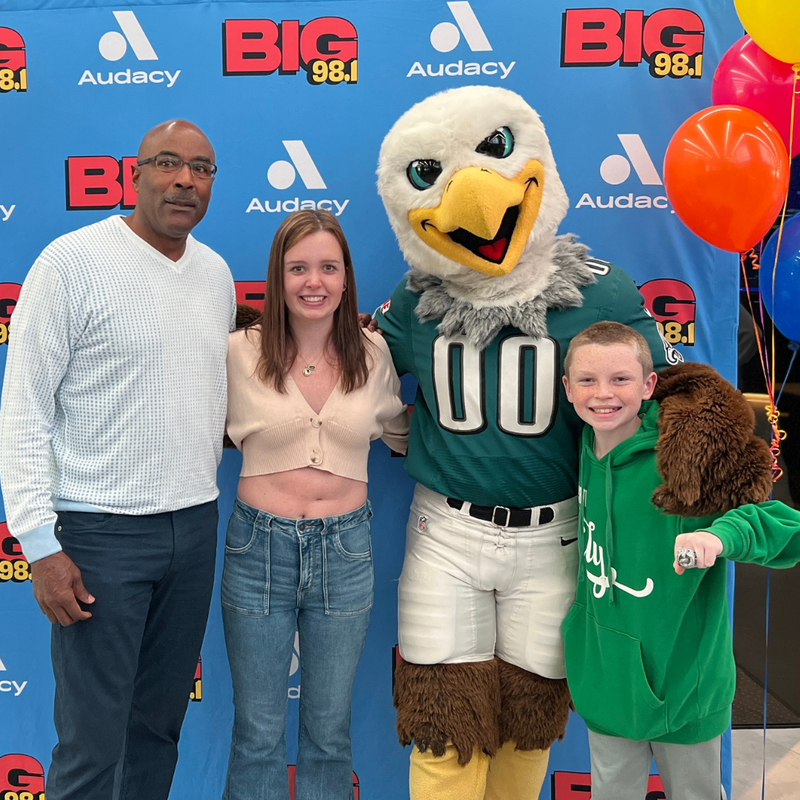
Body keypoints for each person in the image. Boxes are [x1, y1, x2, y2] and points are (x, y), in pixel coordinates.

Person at [0, 120, 235, 800]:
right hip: (99, 535)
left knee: (156, 731)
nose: (185, 180)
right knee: (91, 741)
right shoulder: (70, 264)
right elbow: (22, 412)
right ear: (134, 174)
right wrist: (40, 546)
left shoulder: (215, 275)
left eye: (202, 168)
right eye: (169, 163)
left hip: (193, 530)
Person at [561, 321, 800, 800]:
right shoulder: (582, 447)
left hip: (686, 687)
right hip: (606, 682)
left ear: (649, 385)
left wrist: (720, 537)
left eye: (620, 379)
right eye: (587, 380)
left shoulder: (685, 459)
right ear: (566, 389)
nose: (603, 394)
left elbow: (783, 528)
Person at [222, 209, 409, 800]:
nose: (314, 282)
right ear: (278, 277)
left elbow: (408, 437)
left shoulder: (373, 356)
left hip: (345, 551)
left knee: (329, 733)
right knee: (257, 733)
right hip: (257, 550)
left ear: (346, 277)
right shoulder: (235, 353)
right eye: (298, 268)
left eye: (328, 268)